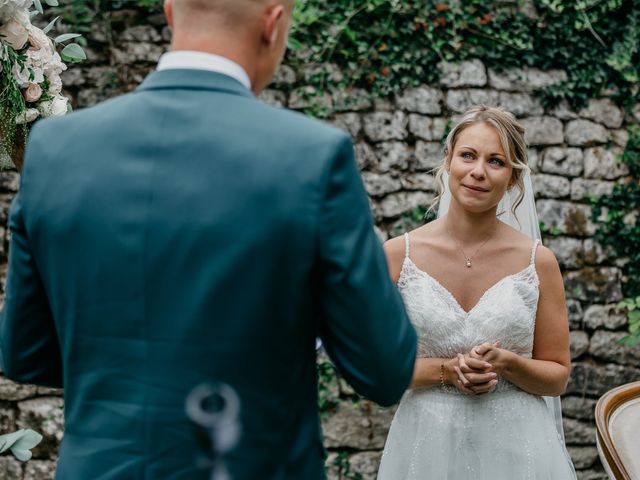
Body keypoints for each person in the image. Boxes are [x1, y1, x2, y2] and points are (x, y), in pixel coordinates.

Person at [0, 0, 417, 478]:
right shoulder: (313, 158)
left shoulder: (56, 149)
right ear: (273, 21)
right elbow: (384, 369)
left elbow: (26, 352)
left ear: (171, 12)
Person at [377, 106, 577, 479]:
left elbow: (557, 375)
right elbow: (379, 366)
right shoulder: (396, 256)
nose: (478, 172)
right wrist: (447, 371)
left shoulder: (539, 262)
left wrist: (509, 364)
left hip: (520, 450)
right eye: (467, 155)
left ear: (513, 179)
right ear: (448, 161)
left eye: (496, 161)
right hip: (425, 446)